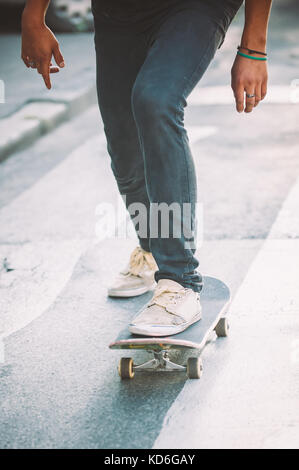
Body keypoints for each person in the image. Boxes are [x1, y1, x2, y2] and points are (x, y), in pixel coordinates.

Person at [21, 0, 272, 337]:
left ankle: (179, 280)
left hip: (196, 7)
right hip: (118, 13)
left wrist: (254, 48)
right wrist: (33, 15)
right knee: (123, 145)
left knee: (156, 100)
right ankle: (152, 248)